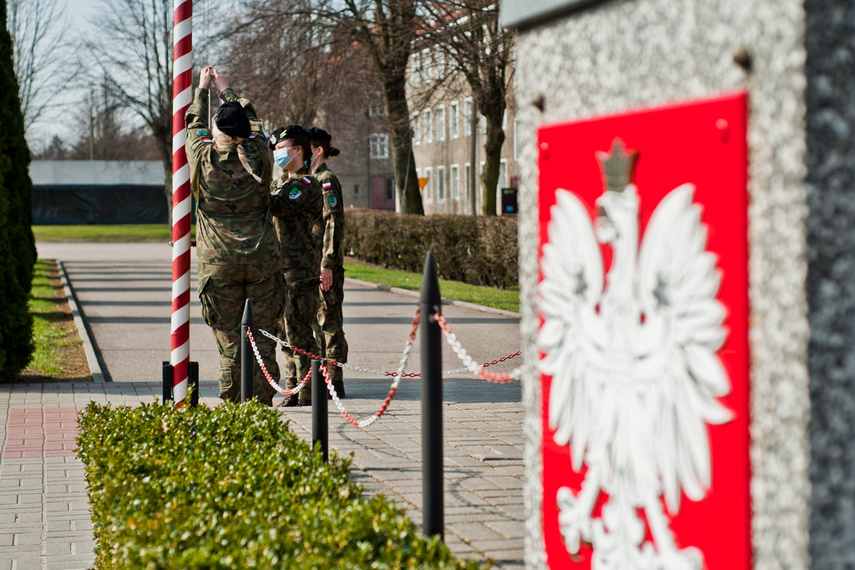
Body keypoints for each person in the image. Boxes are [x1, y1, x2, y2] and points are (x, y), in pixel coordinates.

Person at [185, 66, 282, 405]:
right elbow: (253, 120)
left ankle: (233, 410)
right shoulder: (258, 153)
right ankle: (262, 407)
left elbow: (191, 123)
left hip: (219, 265)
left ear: (217, 133)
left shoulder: (203, 156)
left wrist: (202, 89)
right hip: (263, 263)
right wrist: (229, 92)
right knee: (263, 339)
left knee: (230, 343)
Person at [267, 125, 323, 406]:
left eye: (280, 149)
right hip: (281, 270)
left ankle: (311, 395)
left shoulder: (306, 185)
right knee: (285, 337)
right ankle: (292, 391)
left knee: (300, 335)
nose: (276, 154)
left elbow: (279, 206)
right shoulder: (280, 183)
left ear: (297, 150)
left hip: (299, 271)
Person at [308, 127, 348, 398]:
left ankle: (334, 383)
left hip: (324, 266)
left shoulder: (326, 180)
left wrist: (328, 264)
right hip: (309, 264)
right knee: (314, 326)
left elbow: (334, 223)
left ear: (318, 150)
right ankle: (320, 379)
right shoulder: (309, 179)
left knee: (329, 325)